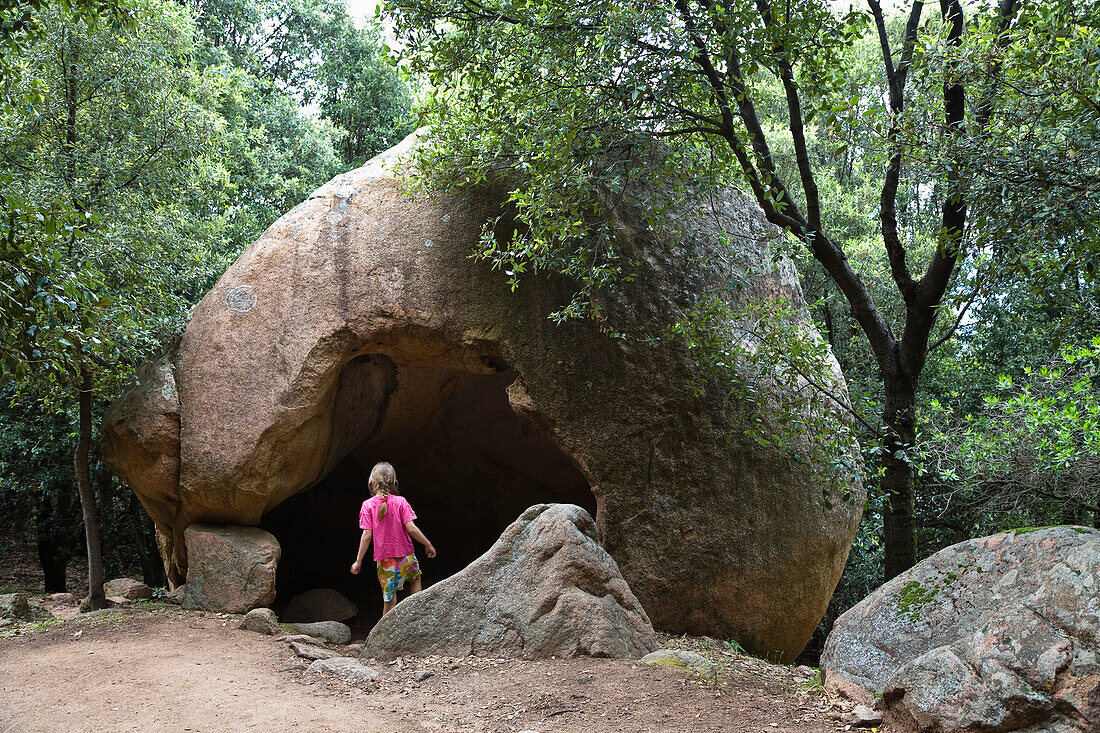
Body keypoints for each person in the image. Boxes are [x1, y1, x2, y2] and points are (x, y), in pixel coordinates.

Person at [350, 461, 436, 615]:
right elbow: (411, 528)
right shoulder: (401, 501)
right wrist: (427, 544)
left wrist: (358, 560)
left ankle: (384, 634)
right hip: (407, 555)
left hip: (385, 560)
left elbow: (367, 535)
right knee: (415, 579)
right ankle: (416, 615)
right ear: (394, 483)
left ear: (372, 483)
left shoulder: (367, 505)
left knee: (389, 598)